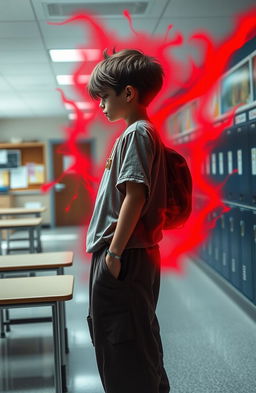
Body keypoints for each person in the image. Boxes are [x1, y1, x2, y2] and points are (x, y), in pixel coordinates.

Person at [86, 48, 170, 393]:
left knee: (123, 349)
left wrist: (114, 255)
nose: (101, 104)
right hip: (132, 255)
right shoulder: (141, 133)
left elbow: (135, 196)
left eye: (104, 96)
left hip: (125, 256)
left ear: (129, 93)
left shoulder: (136, 133)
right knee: (137, 340)